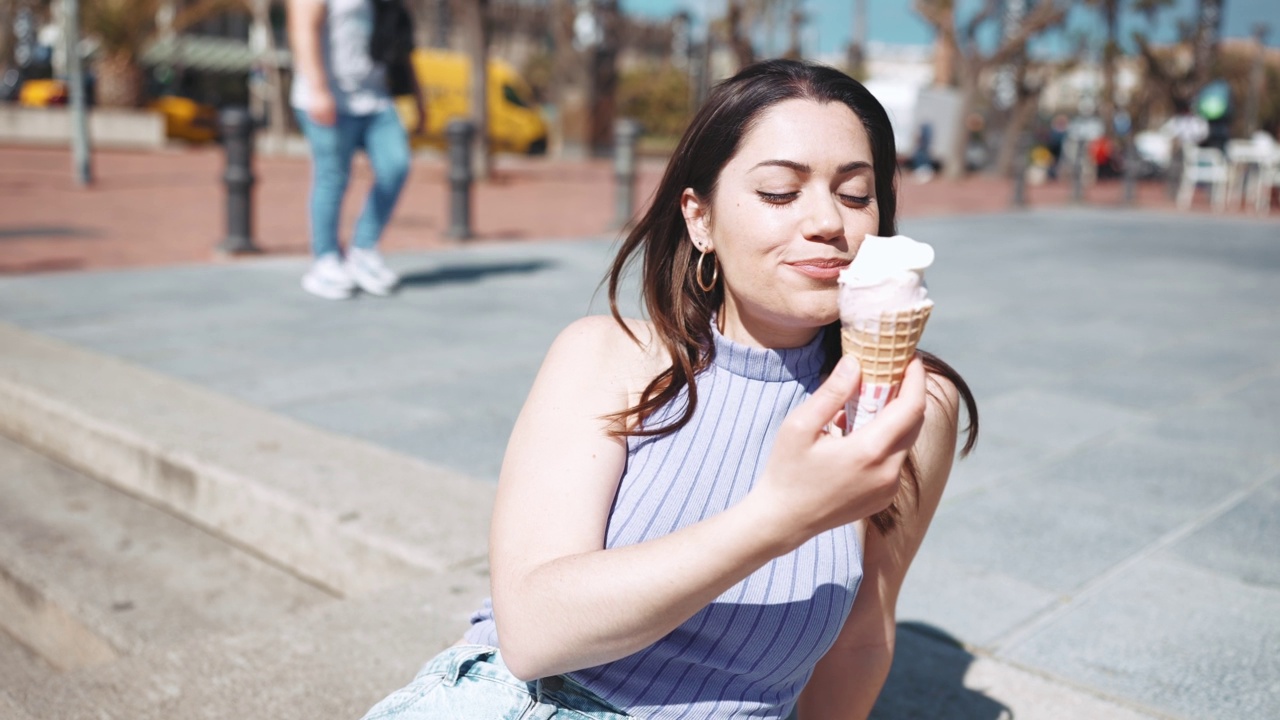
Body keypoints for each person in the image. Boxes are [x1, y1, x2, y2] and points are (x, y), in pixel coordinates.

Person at [360, 59, 979, 720]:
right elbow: (534, 635)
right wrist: (777, 517)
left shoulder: (908, 406)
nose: (829, 221)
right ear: (700, 218)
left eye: (855, 194)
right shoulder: (607, 356)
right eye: (779, 191)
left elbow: (860, 639)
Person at [287, 0, 425, 299]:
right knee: (333, 177)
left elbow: (400, 43)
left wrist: (418, 97)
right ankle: (325, 260)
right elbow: (301, 30)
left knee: (395, 166)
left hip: (375, 97)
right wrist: (319, 89)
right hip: (329, 97)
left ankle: (362, 251)